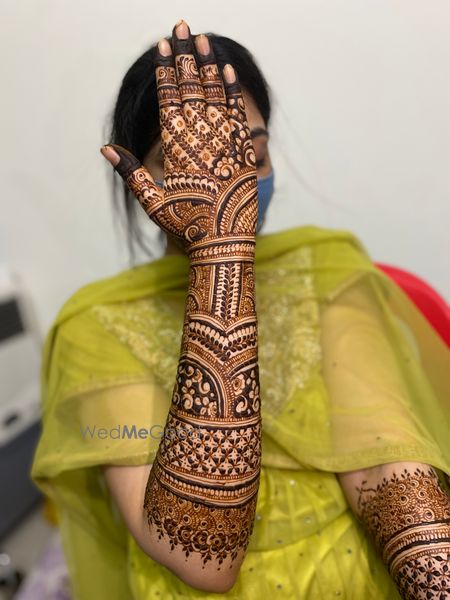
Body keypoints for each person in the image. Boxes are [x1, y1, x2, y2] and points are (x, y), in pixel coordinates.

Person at [31, 19, 450, 600]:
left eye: (251, 154)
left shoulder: (323, 268)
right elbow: (203, 557)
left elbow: (386, 469)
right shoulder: (95, 324)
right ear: (138, 180)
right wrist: (220, 252)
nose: (231, 181)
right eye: (192, 163)